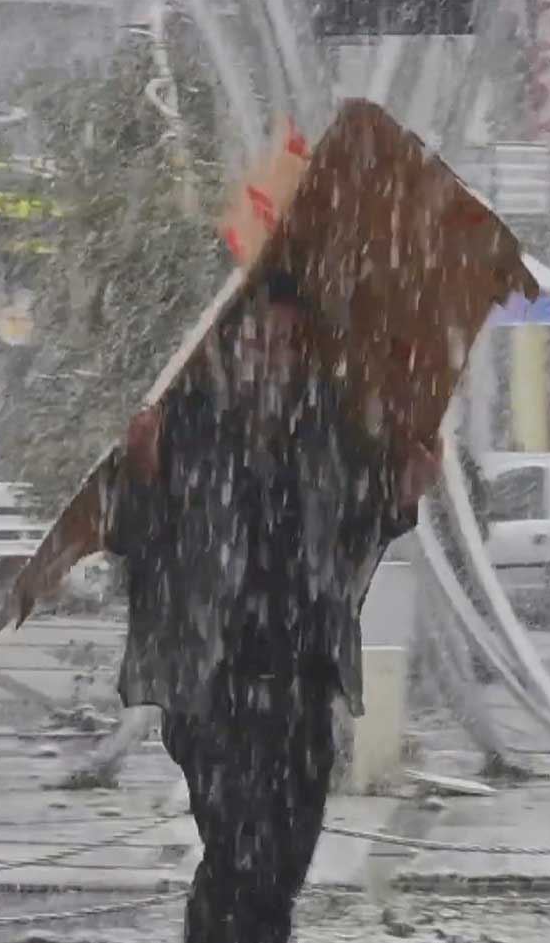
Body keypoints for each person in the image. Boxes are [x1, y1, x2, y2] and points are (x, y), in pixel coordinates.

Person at [101, 271, 441, 943]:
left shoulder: (327, 432)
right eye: (258, 340)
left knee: (282, 870)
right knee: (235, 865)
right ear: (230, 345)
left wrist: (403, 494)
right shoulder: (188, 425)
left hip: (301, 687)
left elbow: (355, 533)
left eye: (287, 342)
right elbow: (132, 539)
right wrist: (141, 470)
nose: (271, 356)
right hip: (213, 686)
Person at [409, 442, 534, 781]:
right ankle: (494, 750)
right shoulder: (442, 456)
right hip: (425, 566)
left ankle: (494, 750)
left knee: (444, 658)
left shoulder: (440, 456)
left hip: (425, 567)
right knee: (442, 659)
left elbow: (465, 523)